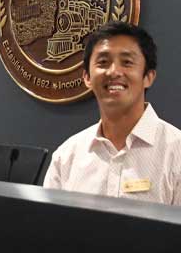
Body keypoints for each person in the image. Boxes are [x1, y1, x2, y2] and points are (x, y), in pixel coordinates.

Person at [44, 22, 181, 205]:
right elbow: (50, 229)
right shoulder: (67, 157)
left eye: (127, 62)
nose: (114, 71)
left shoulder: (176, 152)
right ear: (87, 78)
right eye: (103, 62)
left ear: (148, 77)